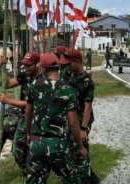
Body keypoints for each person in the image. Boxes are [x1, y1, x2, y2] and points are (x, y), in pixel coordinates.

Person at [25, 52, 87, 184]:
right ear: (58, 67)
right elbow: (73, 123)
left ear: (42, 68)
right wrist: (80, 147)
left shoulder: (34, 86)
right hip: (58, 145)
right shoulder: (67, 90)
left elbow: (28, 113)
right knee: (71, 179)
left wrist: (29, 134)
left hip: (37, 143)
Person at [0, 52, 42, 183]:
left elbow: (33, 105)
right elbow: (7, 84)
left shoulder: (43, 80)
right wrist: (3, 67)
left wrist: (9, 101)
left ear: (38, 64)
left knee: (21, 151)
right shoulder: (25, 75)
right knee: (3, 132)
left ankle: (31, 173)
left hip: (35, 119)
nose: (25, 68)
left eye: (29, 65)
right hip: (22, 116)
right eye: (24, 65)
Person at [60, 49, 99, 184]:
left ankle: (90, 179)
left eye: (69, 63)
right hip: (71, 119)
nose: (66, 66)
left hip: (82, 119)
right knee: (71, 150)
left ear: (78, 62)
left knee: (81, 151)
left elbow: (88, 106)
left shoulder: (87, 81)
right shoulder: (69, 73)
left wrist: (83, 129)